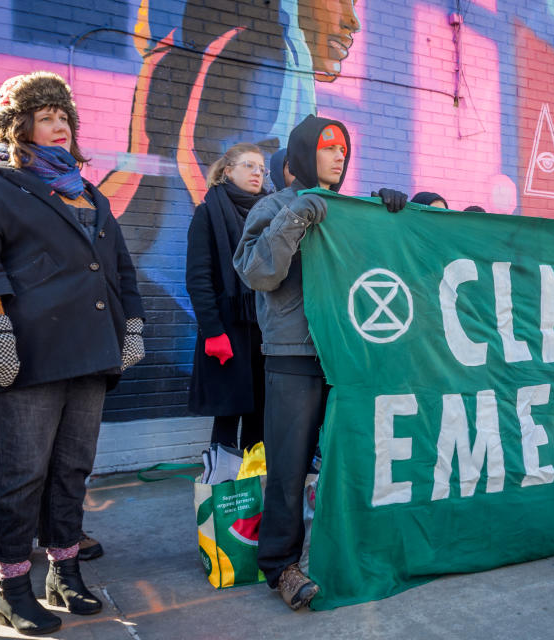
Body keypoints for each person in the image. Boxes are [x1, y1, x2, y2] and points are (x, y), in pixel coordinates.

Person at [0, 71, 144, 635]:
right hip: (29, 357)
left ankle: (64, 571)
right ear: (18, 127)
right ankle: (11, 587)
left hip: (91, 355)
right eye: (46, 117)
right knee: (22, 472)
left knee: (72, 469)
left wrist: (130, 326)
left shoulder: (90, 194)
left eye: (65, 117)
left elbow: (120, 271)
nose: (59, 125)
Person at [233, 114, 407, 610]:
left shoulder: (351, 208)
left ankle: (354, 554)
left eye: (343, 148)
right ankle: (281, 567)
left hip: (350, 352)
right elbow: (258, 273)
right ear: (303, 154)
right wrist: (298, 215)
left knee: (354, 462)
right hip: (295, 355)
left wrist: (391, 216)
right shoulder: (272, 206)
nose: (338, 156)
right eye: (327, 147)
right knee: (288, 470)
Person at [186, 143, 271, 450]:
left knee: (260, 416)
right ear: (227, 171)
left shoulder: (271, 214)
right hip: (228, 328)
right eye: (249, 165)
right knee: (227, 415)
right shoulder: (208, 213)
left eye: (262, 168)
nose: (257, 173)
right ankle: (222, 490)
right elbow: (198, 279)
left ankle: (252, 489)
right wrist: (213, 332)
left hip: (264, 327)